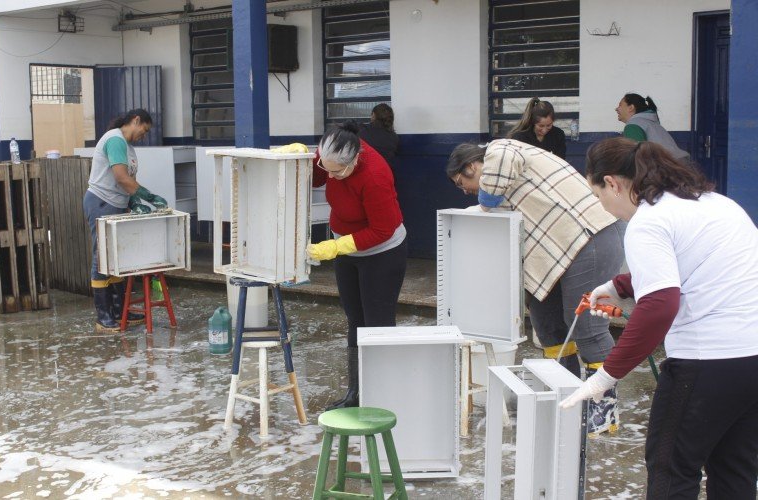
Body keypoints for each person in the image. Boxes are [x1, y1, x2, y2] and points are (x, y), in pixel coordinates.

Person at [561, 137, 758, 498]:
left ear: (613, 183)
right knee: (734, 469)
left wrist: (606, 375)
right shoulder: (715, 204)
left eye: (598, 195)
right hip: (751, 360)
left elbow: (660, 306)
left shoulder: (648, 221)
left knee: (671, 469)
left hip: (706, 363)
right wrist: (618, 285)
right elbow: (697, 266)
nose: (603, 206)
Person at [446, 139, 625, 434]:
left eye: (462, 181)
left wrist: (484, 203)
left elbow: (496, 180)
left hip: (589, 239)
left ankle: (603, 416)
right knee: (547, 325)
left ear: (472, 166)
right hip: (558, 255)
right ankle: (566, 399)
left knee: (587, 329)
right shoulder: (498, 177)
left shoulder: (500, 150)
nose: (465, 189)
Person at [307, 121, 407, 410]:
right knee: (355, 319)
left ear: (354, 159)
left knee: (377, 323)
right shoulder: (330, 154)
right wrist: (301, 160)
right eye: (327, 167)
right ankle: (356, 392)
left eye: (337, 171)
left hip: (383, 252)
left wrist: (337, 246)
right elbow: (315, 178)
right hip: (348, 251)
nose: (331, 176)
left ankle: (383, 392)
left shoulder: (375, 175)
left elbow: (382, 230)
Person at [83, 109, 168, 333]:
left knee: (117, 259)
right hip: (102, 203)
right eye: (144, 130)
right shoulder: (115, 139)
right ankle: (103, 317)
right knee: (102, 258)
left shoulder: (128, 147)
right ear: (135, 120)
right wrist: (148, 196)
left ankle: (120, 312)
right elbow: (121, 177)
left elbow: (129, 181)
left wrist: (133, 202)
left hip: (117, 204)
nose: (144, 135)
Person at [615, 93, 690, 161]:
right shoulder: (650, 123)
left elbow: (637, 158)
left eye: (620, 105)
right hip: (680, 165)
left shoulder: (633, 125)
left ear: (631, 107)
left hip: (668, 168)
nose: (616, 109)